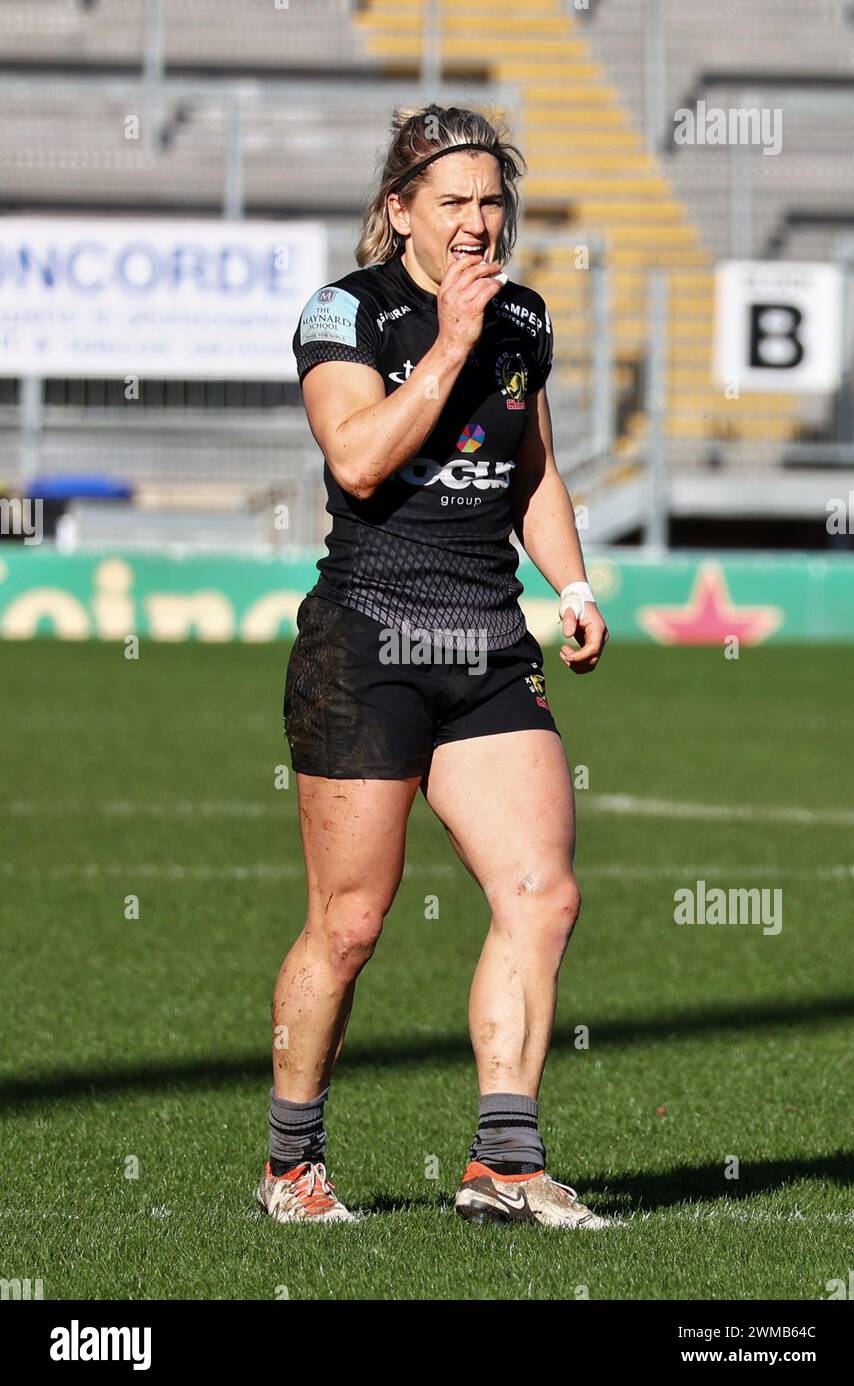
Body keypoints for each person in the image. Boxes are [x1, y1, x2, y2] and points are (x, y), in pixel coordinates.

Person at [255, 104, 610, 1228]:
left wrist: (573, 585)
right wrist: (449, 343)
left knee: (539, 894)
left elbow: (533, 469)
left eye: (490, 201)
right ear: (397, 210)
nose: (474, 222)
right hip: (366, 644)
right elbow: (356, 460)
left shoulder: (522, 317)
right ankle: (291, 1166)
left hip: (486, 644)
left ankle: (503, 1165)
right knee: (349, 923)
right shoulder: (343, 312)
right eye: (450, 201)